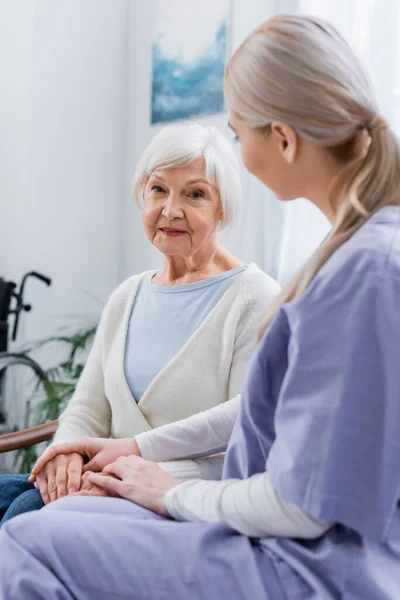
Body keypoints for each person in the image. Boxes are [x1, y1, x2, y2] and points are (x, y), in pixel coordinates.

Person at [1, 13, 400, 599]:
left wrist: (162, 490)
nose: (170, 209)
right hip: (264, 528)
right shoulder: (354, 258)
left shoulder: (359, 274)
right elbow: (258, 418)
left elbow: (303, 505)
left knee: (28, 541)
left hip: (306, 564)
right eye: (158, 191)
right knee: (35, 516)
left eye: (240, 133)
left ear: (283, 139)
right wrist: (132, 452)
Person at [0, 123, 280, 524]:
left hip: (174, 496)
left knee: (25, 517)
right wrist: (66, 460)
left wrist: (125, 473)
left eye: (195, 194)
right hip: (100, 482)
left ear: (222, 207)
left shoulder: (256, 298)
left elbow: (243, 442)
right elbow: (86, 409)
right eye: (158, 189)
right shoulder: (127, 296)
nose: (171, 211)